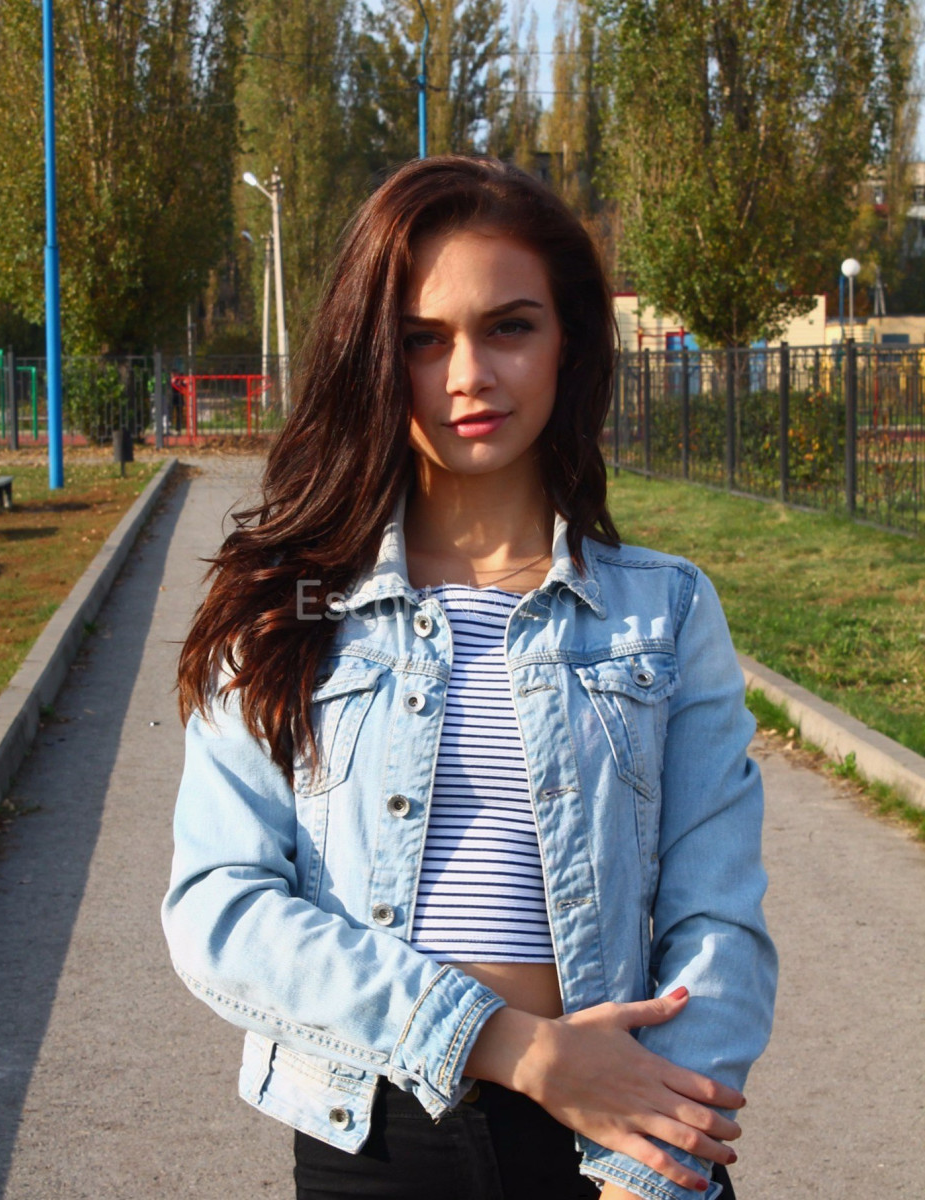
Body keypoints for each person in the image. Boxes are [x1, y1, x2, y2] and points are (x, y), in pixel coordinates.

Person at [162, 155, 777, 1200]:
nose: (469, 375)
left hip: (625, 1132)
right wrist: (512, 1046)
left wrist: (650, 1169)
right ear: (370, 356)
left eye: (509, 327)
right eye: (421, 339)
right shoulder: (281, 608)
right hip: (377, 1135)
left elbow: (717, 922)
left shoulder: (664, 611)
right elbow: (220, 910)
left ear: (566, 341)